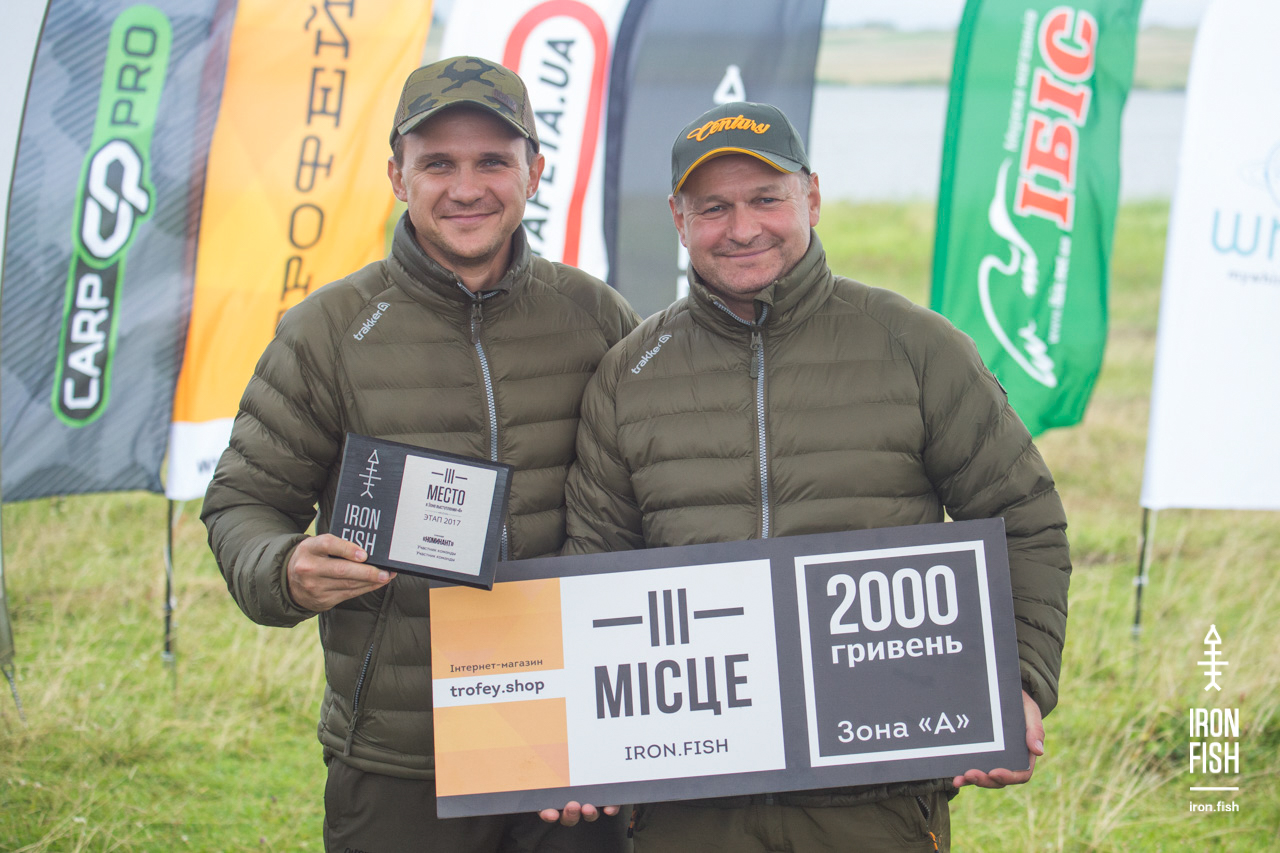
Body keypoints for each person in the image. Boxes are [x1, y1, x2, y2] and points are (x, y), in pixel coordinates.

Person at [555, 101, 1071, 851]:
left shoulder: (915, 347)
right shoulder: (628, 373)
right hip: (692, 802)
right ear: (678, 219)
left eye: (767, 198)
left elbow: (1023, 517)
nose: (742, 228)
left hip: (876, 794)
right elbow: (594, 568)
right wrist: (572, 739)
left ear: (812, 197)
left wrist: (1016, 679)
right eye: (714, 207)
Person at [202, 56, 639, 853]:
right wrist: (284, 567)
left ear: (535, 172)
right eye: (438, 163)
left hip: (570, 731)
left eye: (492, 161)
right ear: (397, 176)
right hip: (403, 752)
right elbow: (244, 503)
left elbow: (652, 495)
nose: (466, 188)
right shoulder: (327, 330)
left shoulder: (597, 317)